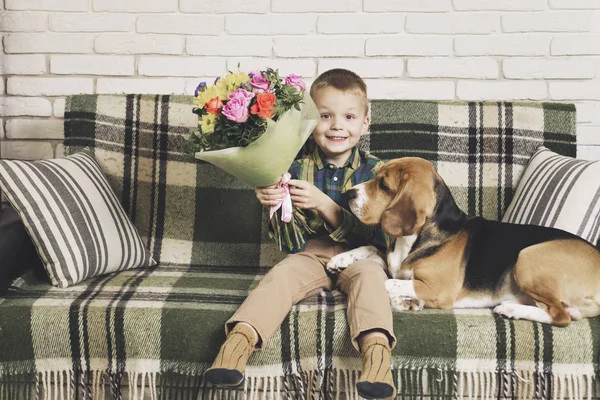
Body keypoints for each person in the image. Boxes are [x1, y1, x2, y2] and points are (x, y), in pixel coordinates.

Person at [205, 68, 396, 399]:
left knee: (371, 279)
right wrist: (274, 203)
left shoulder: (378, 173)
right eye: (325, 115)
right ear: (311, 121)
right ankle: (236, 347)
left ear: (365, 122)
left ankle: (377, 360)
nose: (337, 125)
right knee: (281, 275)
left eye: (349, 116)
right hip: (310, 255)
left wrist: (328, 206)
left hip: (360, 257)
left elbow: (382, 238)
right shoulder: (292, 165)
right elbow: (290, 245)